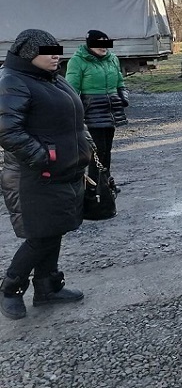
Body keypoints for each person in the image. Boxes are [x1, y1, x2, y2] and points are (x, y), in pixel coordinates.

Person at [0, 29, 91, 320]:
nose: (56, 56)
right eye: (47, 51)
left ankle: (47, 288)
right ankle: (10, 289)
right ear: (27, 53)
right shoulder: (12, 81)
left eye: (57, 50)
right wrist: (44, 157)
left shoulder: (52, 79)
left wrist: (85, 144)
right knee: (40, 236)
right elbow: (7, 130)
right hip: (34, 176)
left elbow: (76, 119)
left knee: (55, 228)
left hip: (61, 172)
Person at [65, 30, 129, 195]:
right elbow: (71, 90)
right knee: (96, 152)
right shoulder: (78, 61)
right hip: (92, 113)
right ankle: (94, 189)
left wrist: (123, 97)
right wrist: (74, 113)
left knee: (106, 150)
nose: (103, 47)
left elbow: (120, 82)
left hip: (111, 112)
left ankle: (105, 182)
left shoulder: (112, 59)